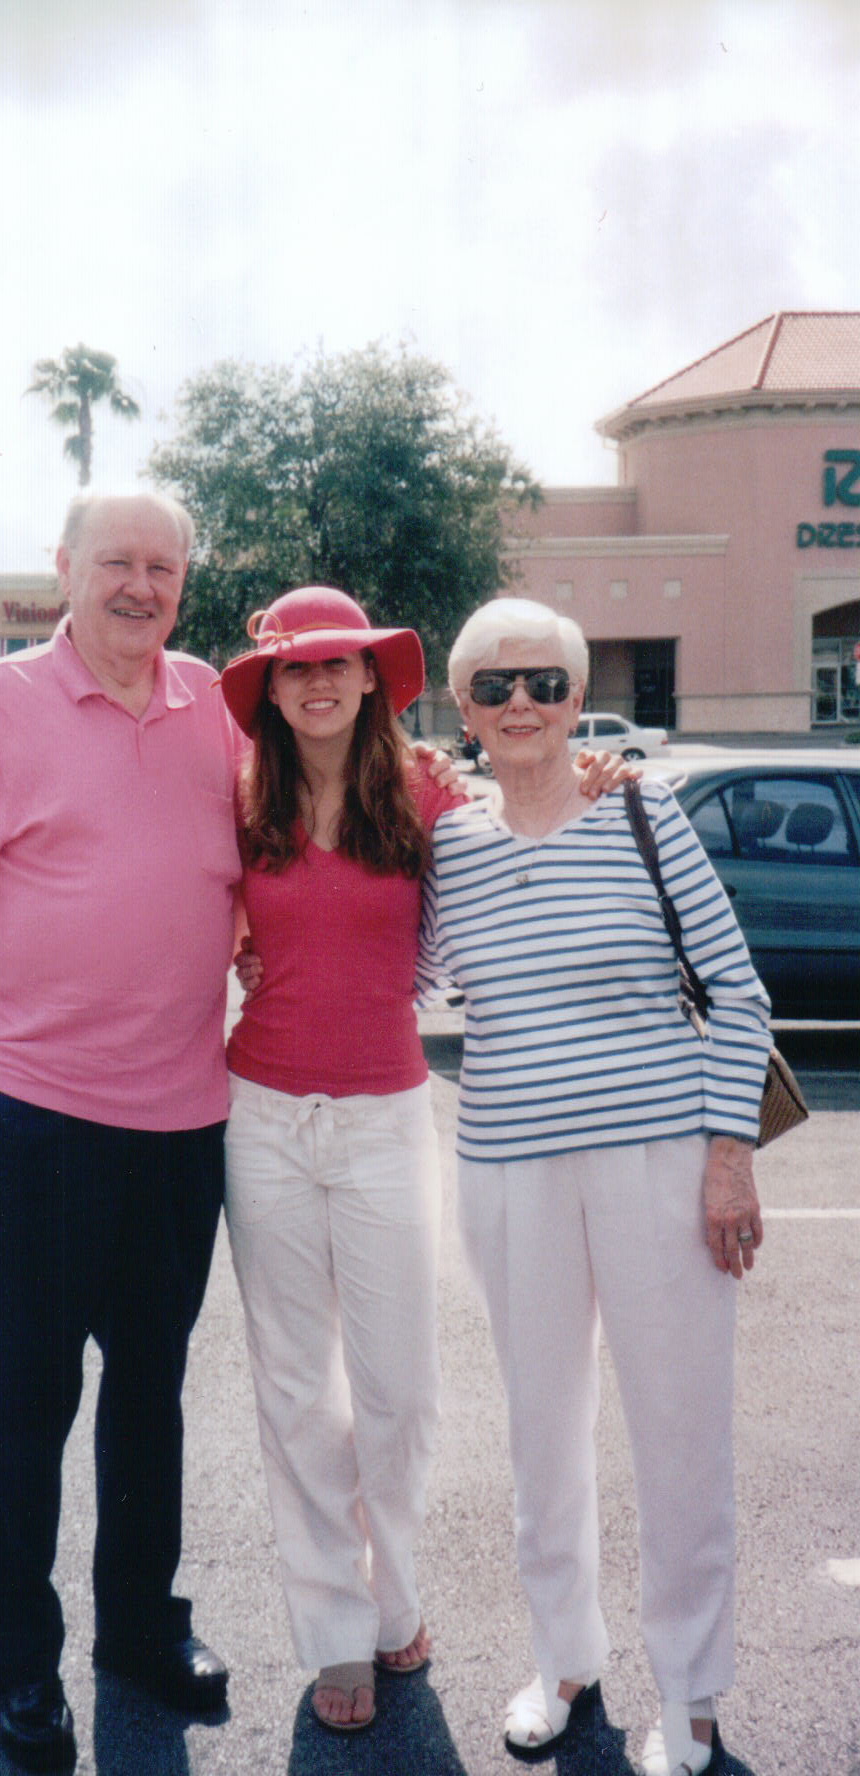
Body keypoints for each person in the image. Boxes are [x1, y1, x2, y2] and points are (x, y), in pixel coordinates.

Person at [0, 493, 241, 1771]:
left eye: (164, 566)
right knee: (18, 1411)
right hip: (32, 1127)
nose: (142, 586)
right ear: (65, 571)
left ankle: (139, 1628)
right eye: (118, 563)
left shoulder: (216, 707)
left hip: (183, 1128)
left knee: (150, 1400)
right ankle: (21, 1669)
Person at [418, 598, 772, 1776]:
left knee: (681, 1431)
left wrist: (728, 1155)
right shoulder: (445, 845)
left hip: (658, 1165)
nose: (521, 702)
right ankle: (563, 1658)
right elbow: (393, 973)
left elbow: (738, 993)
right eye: (495, 685)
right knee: (540, 1432)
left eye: (545, 682)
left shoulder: (641, 813)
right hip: (507, 1170)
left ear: (578, 698)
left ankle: (690, 1688)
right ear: (463, 708)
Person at [217, 586, 463, 1732]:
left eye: (338, 663)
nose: (317, 682)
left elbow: (533, 834)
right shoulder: (236, 795)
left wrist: (607, 783)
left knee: (399, 1386)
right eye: (295, 667)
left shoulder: (427, 791)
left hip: (383, 1118)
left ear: (372, 677)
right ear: (270, 689)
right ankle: (334, 1630)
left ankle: (396, 1591)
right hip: (261, 1115)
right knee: (295, 1386)